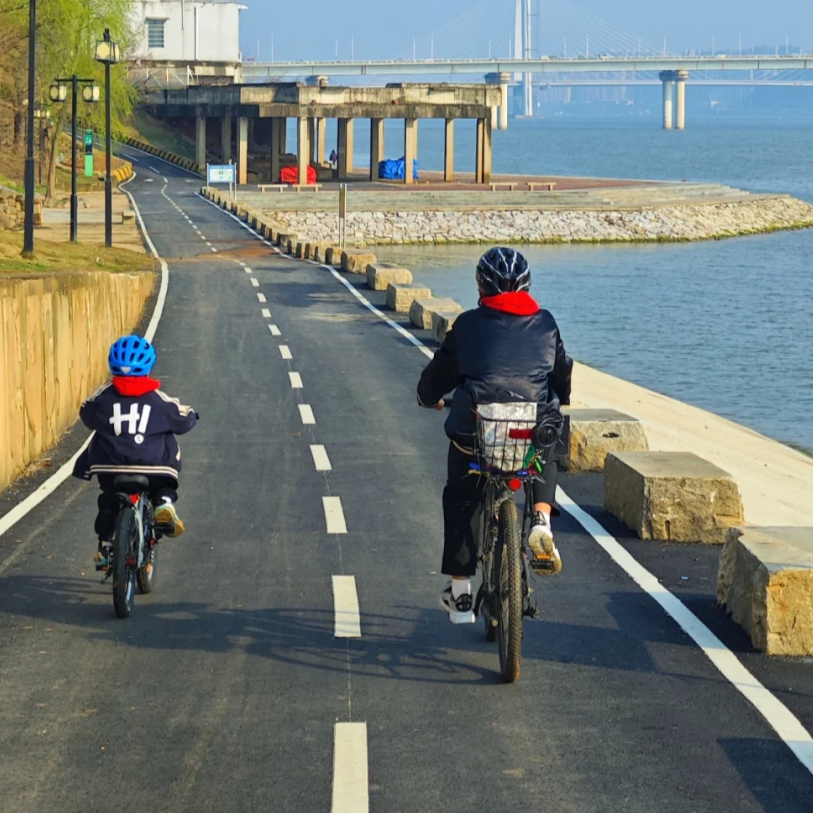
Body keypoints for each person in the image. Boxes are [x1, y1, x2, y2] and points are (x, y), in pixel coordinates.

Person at [417, 247, 572, 624]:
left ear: (481, 286)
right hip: (528, 430)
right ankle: (540, 519)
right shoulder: (546, 323)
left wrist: (430, 399)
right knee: (546, 446)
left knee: (461, 493)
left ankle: (460, 593)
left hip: (480, 433)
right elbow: (561, 376)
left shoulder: (468, 326)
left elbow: (435, 379)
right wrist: (560, 397)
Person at [72, 335, 198, 568]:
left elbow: (86, 413)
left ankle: (105, 544)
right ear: (147, 366)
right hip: (152, 467)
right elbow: (183, 420)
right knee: (167, 441)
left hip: (109, 466)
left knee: (108, 498)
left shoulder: (103, 396)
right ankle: (164, 501)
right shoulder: (158, 400)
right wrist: (193, 414)